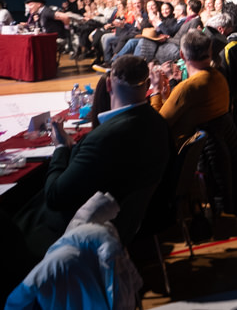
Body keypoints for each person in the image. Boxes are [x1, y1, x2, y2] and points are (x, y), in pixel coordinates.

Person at [14, 55, 172, 262]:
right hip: (127, 223)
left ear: (108, 84)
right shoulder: (159, 123)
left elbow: (55, 197)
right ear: (148, 84)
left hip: (76, 234)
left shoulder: (104, 138)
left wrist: (61, 147)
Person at [159, 30, 230, 146]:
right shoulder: (220, 78)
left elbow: (158, 126)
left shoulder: (187, 88)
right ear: (210, 53)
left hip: (183, 155)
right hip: (213, 151)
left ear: (182, 55)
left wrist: (156, 93)